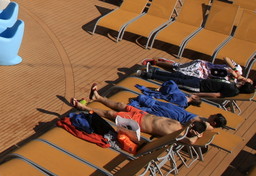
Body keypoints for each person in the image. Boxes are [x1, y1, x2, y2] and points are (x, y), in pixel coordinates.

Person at [70, 84, 219, 146]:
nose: (191, 121)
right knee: (121, 105)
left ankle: (83, 107)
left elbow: (190, 141)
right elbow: (203, 124)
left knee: (110, 114)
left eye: (192, 124)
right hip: (143, 114)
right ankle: (98, 97)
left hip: (138, 123)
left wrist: (196, 135)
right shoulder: (181, 124)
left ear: (193, 129)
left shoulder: (179, 134)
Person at [139, 66, 255, 99]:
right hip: (201, 81)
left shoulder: (232, 90)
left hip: (198, 86)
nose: (244, 81)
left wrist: (197, 95)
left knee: (177, 81)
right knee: (179, 75)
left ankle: (151, 75)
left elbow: (216, 95)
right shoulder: (234, 85)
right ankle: (156, 71)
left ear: (243, 87)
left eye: (245, 83)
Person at [142, 57, 252, 87]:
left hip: (201, 75)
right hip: (202, 65)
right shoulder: (238, 70)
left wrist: (231, 78)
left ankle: (157, 64)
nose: (244, 81)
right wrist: (233, 69)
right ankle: (160, 62)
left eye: (245, 83)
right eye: (248, 80)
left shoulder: (230, 84)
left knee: (178, 71)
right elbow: (226, 58)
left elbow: (213, 80)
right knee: (178, 68)